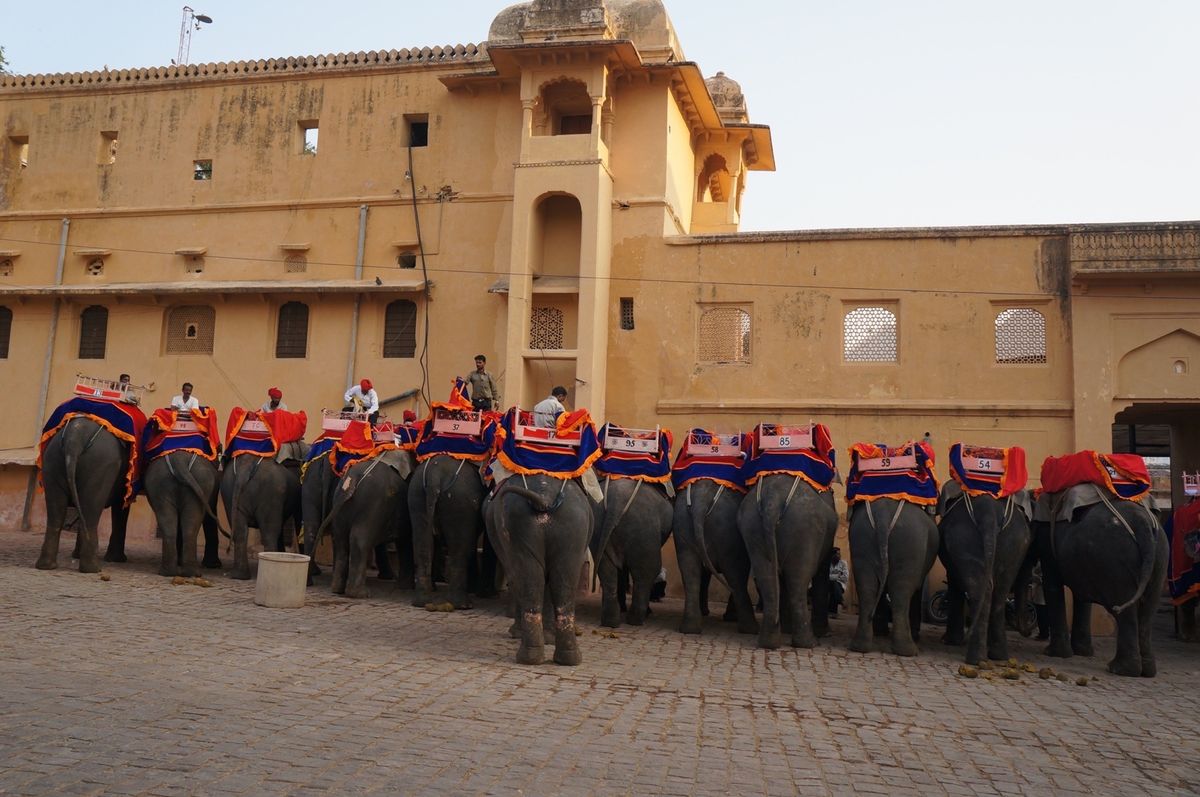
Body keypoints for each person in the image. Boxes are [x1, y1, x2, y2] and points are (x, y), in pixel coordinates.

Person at [829, 547, 849, 617]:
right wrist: (837, 576)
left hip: (840, 585)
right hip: (829, 584)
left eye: (839, 554)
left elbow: (845, 577)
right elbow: (826, 577)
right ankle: (840, 600)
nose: (839, 555)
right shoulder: (828, 564)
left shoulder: (843, 563)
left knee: (835, 585)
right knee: (833, 586)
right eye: (837, 554)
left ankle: (833, 611)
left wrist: (832, 577)